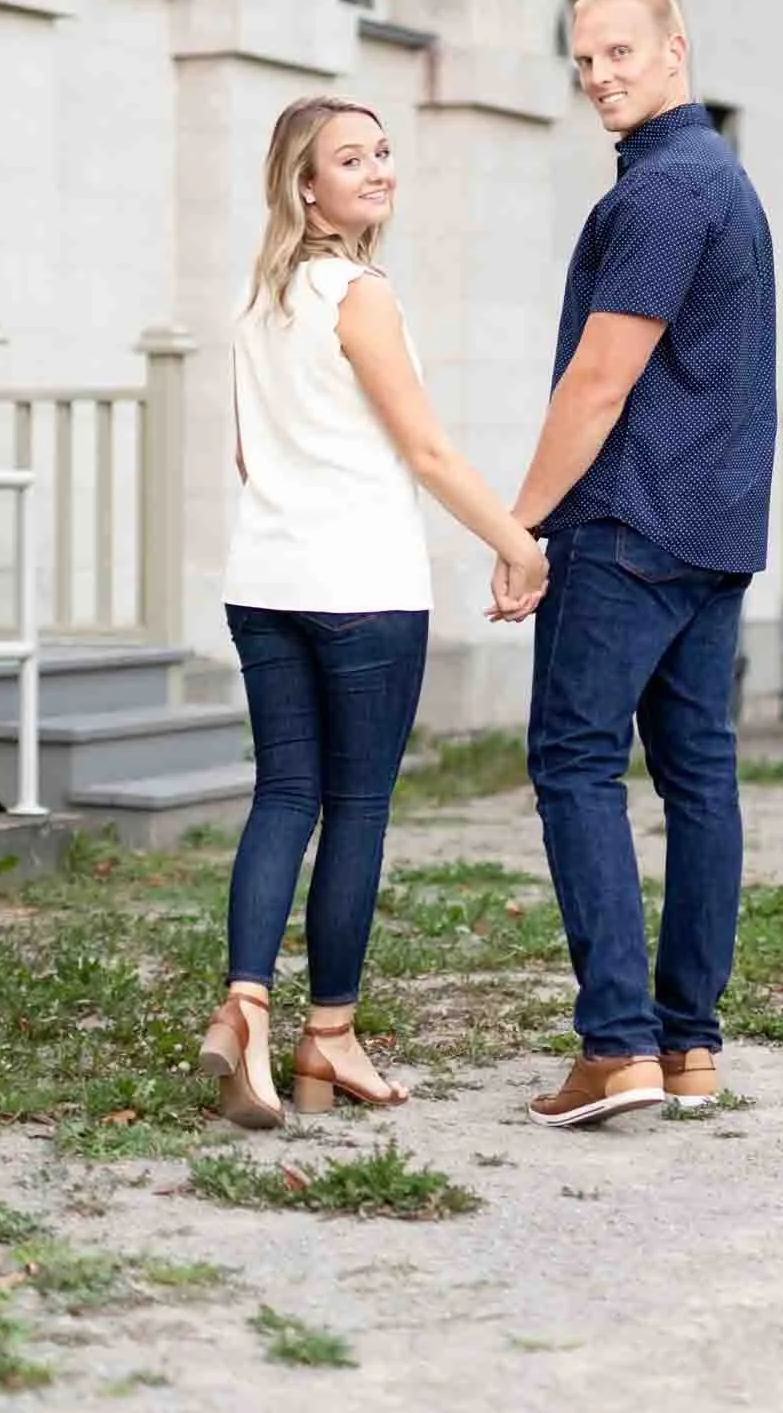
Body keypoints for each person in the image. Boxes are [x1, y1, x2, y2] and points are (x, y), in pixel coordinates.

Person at [199, 94, 548, 1127]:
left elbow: (243, 456)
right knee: (354, 808)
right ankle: (329, 1029)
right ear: (306, 186)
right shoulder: (361, 293)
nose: (378, 170)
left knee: (281, 796)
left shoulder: (257, 302)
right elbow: (427, 451)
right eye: (352, 159)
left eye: (384, 152)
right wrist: (517, 540)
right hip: (361, 589)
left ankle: (249, 1005)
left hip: (263, 582)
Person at [492, 0, 777, 1130]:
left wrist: (519, 524)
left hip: (627, 525)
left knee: (573, 761)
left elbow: (600, 377)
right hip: (712, 530)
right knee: (698, 780)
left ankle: (618, 1050)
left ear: (675, 50)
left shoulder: (665, 191)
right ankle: (689, 1047)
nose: (600, 75)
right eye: (582, 61)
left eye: (618, 52)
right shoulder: (724, 182)